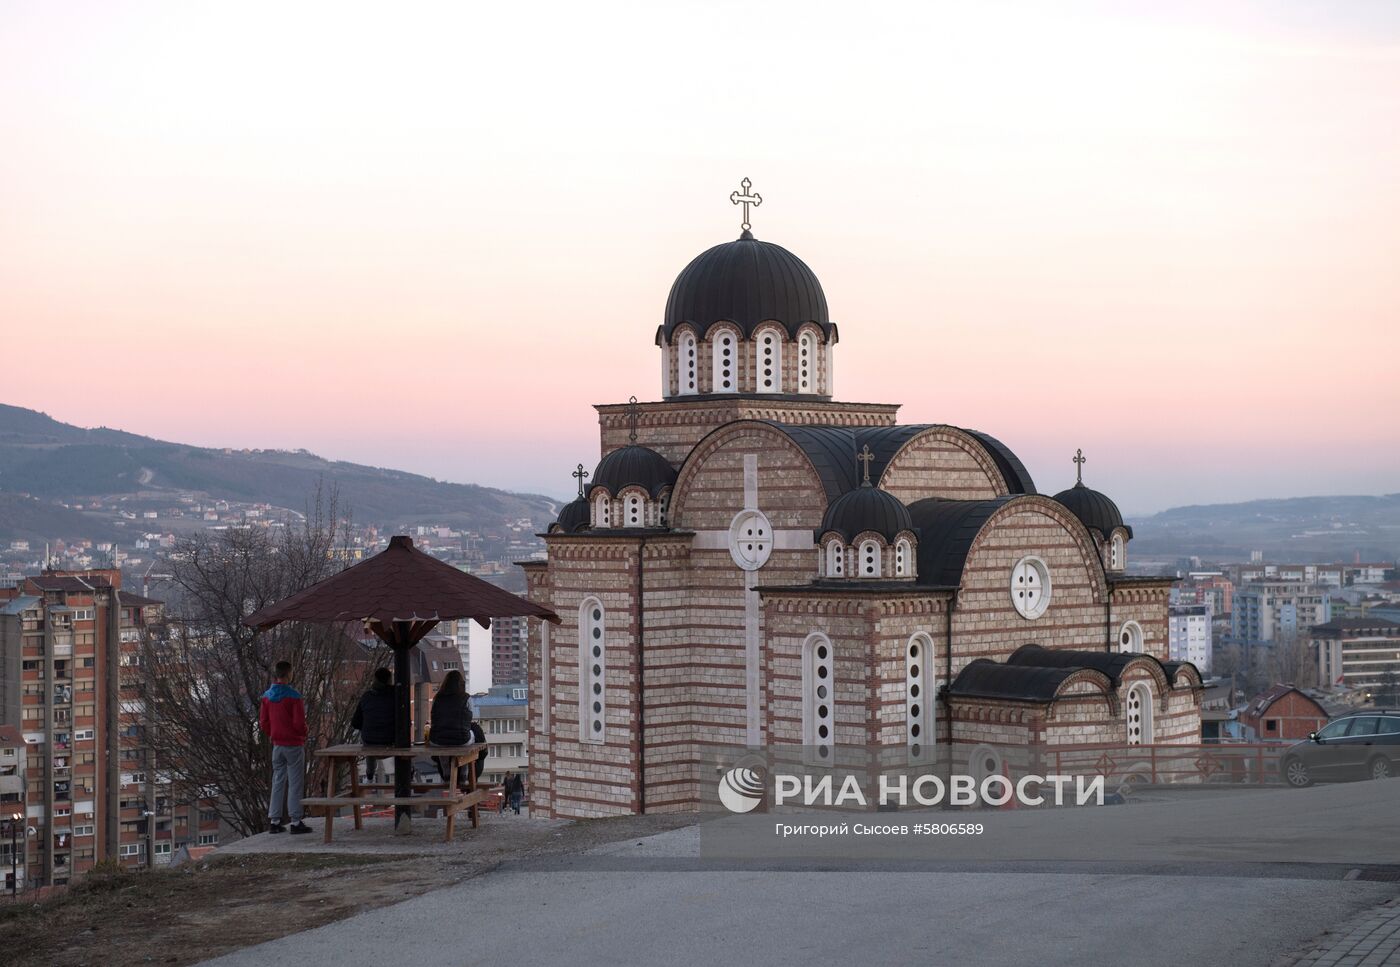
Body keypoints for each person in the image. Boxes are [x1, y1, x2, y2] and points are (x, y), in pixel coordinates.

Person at [260, 660, 311, 834]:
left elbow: (264, 722)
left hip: (277, 744)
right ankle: (295, 821)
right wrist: (304, 732)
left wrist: (273, 734)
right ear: (289, 674)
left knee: (278, 781)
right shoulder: (294, 696)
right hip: (294, 744)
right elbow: (299, 723)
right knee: (295, 783)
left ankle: (274, 820)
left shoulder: (267, 696)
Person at [351, 667, 396, 783]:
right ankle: (409, 772)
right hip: (390, 741)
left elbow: (355, 722)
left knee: (369, 740)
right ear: (389, 680)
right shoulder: (395, 696)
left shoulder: (366, 696)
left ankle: (370, 773)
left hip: (369, 741)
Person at [429, 670, 472, 788]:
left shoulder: (437, 698)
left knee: (442, 744)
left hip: (437, 740)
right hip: (461, 739)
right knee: (471, 737)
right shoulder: (466, 698)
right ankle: (464, 775)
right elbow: (470, 718)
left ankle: (447, 775)